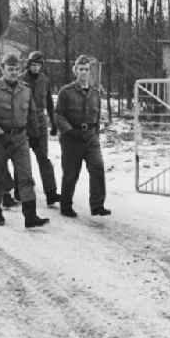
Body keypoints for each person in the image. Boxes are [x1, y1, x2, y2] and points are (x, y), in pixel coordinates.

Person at [0, 52, 49, 228]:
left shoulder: (25, 90)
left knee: (26, 175)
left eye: (16, 69)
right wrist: (0, 135)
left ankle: (30, 215)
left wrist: (35, 135)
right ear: (3, 69)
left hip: (20, 139)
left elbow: (32, 114)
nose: (13, 72)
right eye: (10, 69)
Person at [54, 54, 110, 218]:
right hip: (72, 138)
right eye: (81, 69)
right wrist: (69, 131)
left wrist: (96, 135)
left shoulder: (95, 92)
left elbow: (97, 114)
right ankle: (66, 205)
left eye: (87, 69)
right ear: (75, 71)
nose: (84, 72)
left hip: (91, 137)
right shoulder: (66, 92)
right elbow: (58, 115)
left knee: (97, 167)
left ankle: (97, 205)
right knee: (71, 173)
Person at [16, 51, 60, 205]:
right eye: (33, 65)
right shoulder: (20, 79)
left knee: (44, 158)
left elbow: (48, 102)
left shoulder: (44, 80)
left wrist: (53, 123)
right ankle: (19, 189)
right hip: (24, 124)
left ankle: (51, 193)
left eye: (39, 65)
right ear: (28, 65)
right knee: (21, 159)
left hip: (40, 123)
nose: (36, 68)